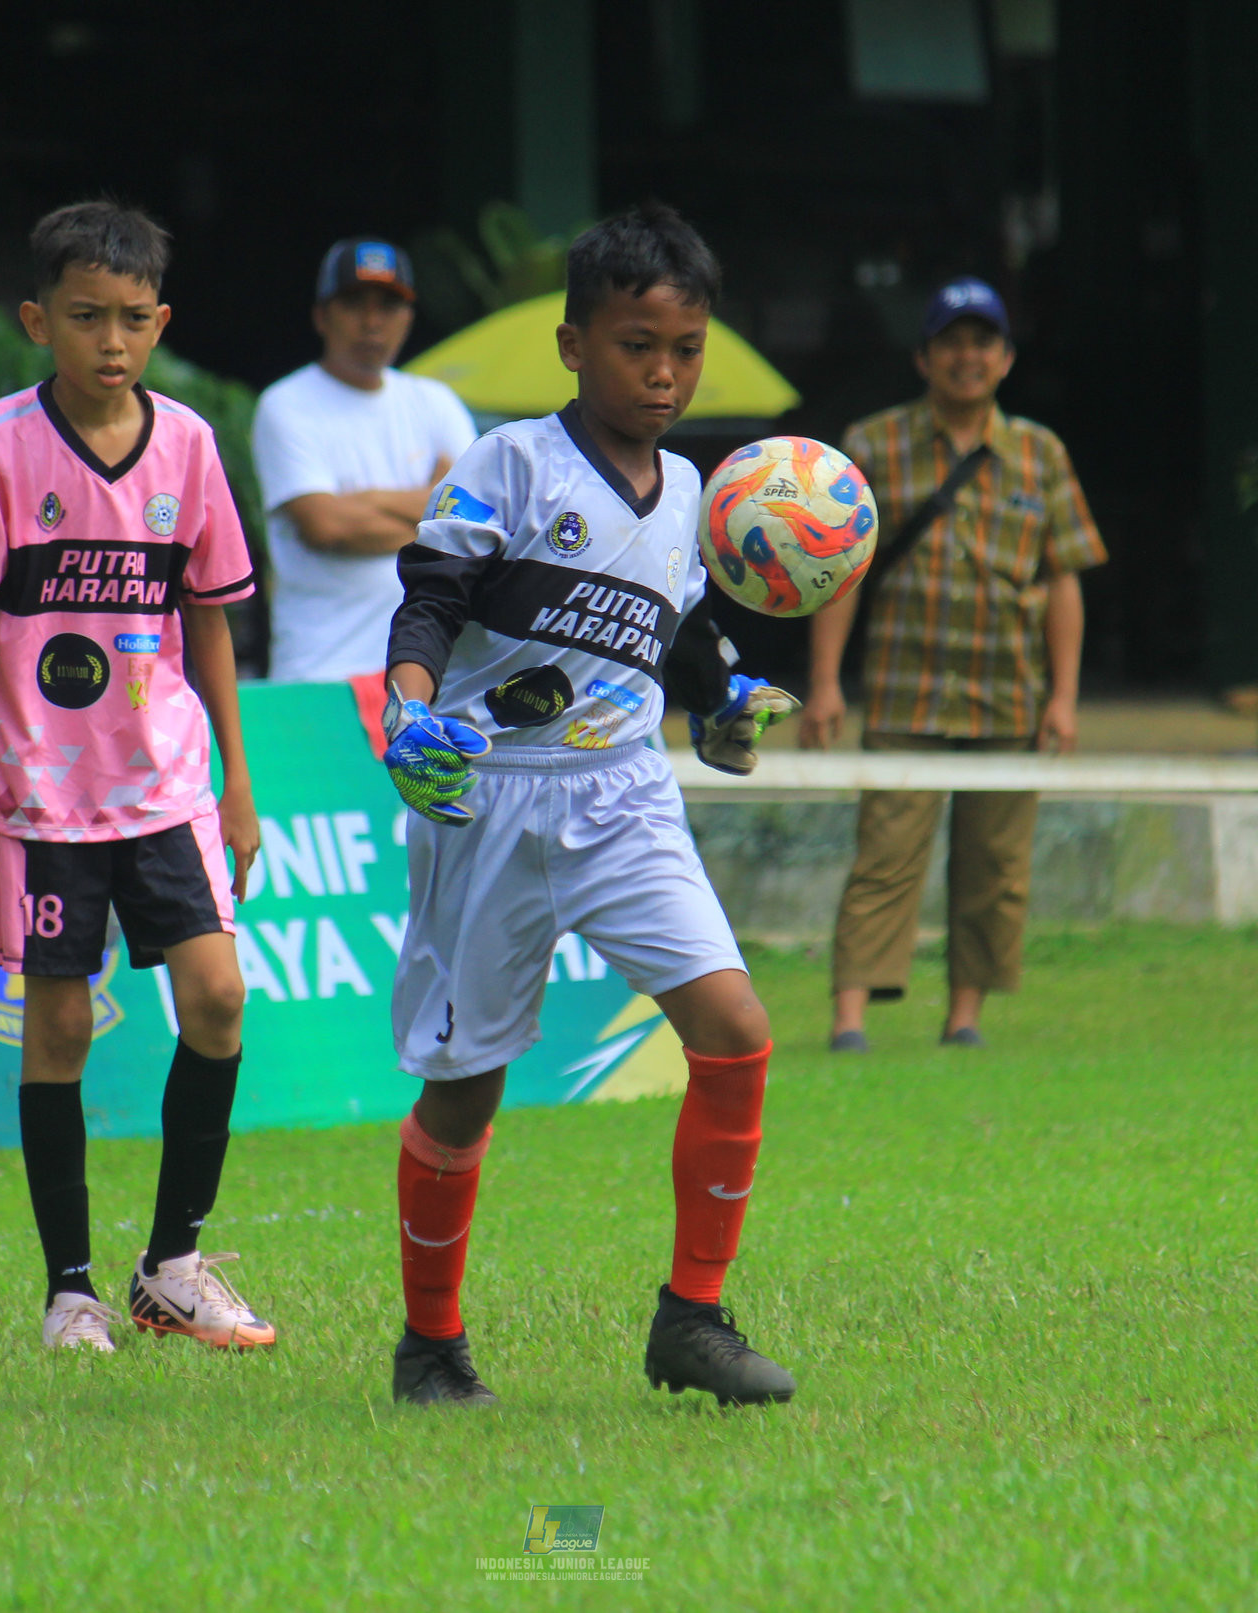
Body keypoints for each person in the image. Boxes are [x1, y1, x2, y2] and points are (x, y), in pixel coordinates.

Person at [376, 202, 801, 1410]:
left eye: (685, 350)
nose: (664, 373)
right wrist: (409, 710)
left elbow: (678, 627)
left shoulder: (695, 491)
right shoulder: (509, 464)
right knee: (465, 1086)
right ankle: (430, 1345)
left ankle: (692, 1317)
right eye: (636, 346)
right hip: (487, 798)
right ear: (573, 344)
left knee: (735, 1029)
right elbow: (429, 602)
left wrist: (719, 702)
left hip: (622, 795)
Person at [0, 202, 276, 1357]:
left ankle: (171, 1267)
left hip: (167, 787)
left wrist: (238, 782)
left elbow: (209, 619)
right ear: (37, 320)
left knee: (217, 998)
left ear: (159, 321)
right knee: (60, 1026)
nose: (111, 341)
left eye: (132, 318)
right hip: (37, 797)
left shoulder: (190, 444)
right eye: (85, 317)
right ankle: (70, 1293)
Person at [801, 277, 1106, 1053]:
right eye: (951, 343)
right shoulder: (872, 443)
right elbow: (840, 571)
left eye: (981, 342)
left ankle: (964, 1017)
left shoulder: (1040, 452)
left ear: (1005, 359)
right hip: (904, 692)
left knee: (994, 866)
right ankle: (848, 1021)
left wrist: (1064, 697)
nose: (966, 357)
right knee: (884, 855)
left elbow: (1063, 579)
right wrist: (825, 684)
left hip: (1008, 696)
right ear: (923, 358)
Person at [251, 239, 478, 683]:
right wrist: (433, 516)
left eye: (388, 306)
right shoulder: (286, 404)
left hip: (431, 670)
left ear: (408, 318)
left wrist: (367, 500)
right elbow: (326, 526)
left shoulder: (436, 401)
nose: (372, 322)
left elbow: (476, 519)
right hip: (322, 670)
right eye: (355, 303)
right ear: (321, 316)